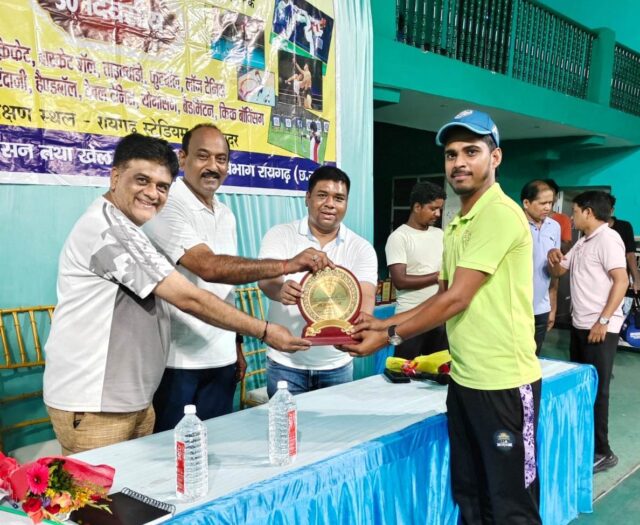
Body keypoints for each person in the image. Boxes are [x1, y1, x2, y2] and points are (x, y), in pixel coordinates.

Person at [43, 133, 313, 455]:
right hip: (96, 402)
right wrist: (265, 330)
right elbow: (191, 295)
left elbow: (218, 290)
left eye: (162, 186)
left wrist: (237, 342)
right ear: (115, 177)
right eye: (141, 180)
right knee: (106, 489)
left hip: (131, 397)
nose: (152, 193)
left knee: (167, 478)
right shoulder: (108, 230)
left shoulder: (131, 228)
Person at [343, 109, 543, 524]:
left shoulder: (499, 213)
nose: (459, 163)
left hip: (504, 383)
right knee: (470, 495)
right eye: (451, 154)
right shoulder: (457, 223)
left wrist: (390, 336)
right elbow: (441, 295)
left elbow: (457, 299)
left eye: (471, 151)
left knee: (510, 504)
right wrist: (380, 323)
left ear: (495, 157)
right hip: (465, 380)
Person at [144, 124, 331, 432]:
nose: (213, 166)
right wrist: (287, 265)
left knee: (216, 445)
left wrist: (237, 345)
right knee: (173, 450)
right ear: (182, 158)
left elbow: (225, 287)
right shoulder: (167, 204)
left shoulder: (225, 213)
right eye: (203, 156)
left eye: (221, 159)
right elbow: (209, 267)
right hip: (178, 362)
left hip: (222, 359)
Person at [258, 166, 378, 397]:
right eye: (322, 195)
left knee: (335, 423)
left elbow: (366, 296)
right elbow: (266, 280)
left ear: (346, 203)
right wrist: (280, 290)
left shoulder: (361, 247)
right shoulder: (280, 234)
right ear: (307, 198)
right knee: (285, 421)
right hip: (286, 362)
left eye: (339, 198)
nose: (330, 204)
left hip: (337, 363)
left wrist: (357, 330)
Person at [548, 190, 627, 473]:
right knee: (582, 388)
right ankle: (586, 444)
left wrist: (603, 321)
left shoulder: (608, 239)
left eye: (575, 211)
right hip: (581, 325)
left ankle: (603, 451)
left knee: (598, 391)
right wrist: (553, 256)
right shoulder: (583, 242)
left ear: (588, 212)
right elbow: (559, 271)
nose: (572, 217)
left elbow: (621, 280)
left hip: (600, 329)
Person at [385, 181, 447, 359]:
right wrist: (437, 277)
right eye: (433, 208)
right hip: (409, 320)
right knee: (404, 371)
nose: (437, 214)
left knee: (438, 371)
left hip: (438, 318)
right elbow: (400, 281)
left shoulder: (439, 234)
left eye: (440, 209)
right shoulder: (399, 237)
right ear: (417, 207)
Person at [521, 180, 561, 355]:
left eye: (550, 203)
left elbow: (554, 273)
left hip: (541, 309)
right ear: (526, 203)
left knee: (533, 359)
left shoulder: (554, 227)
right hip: (516, 308)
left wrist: (552, 306)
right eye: (543, 203)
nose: (548, 208)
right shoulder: (514, 224)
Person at [607, 194, 640, 293]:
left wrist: (636, 279)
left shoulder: (624, 226)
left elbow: (630, 255)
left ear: (612, 210)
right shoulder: (592, 229)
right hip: (597, 281)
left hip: (619, 280)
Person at [544, 179, 573, 253]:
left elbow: (567, 249)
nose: (546, 197)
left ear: (556, 198)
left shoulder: (563, 219)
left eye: (550, 194)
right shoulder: (527, 217)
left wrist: (548, 237)